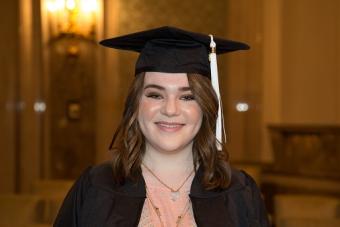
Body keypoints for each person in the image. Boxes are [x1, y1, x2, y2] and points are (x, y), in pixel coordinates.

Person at [54, 26, 269, 227]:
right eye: (155, 95)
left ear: (206, 107)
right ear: (136, 104)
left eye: (187, 97)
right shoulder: (95, 187)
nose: (171, 109)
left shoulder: (240, 193)